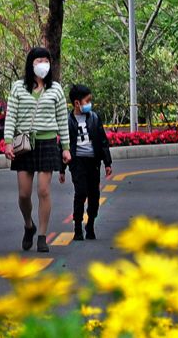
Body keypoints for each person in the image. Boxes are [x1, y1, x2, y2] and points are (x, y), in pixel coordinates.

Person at [3, 47, 71, 253]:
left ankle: (42, 235)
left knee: (43, 190)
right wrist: (7, 142)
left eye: (46, 60)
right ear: (30, 63)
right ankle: (28, 225)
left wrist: (66, 148)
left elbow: (62, 120)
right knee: (24, 194)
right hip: (24, 143)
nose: (43, 64)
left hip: (48, 142)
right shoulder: (18, 88)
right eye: (38, 60)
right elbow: (11, 116)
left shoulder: (56, 89)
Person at [60, 84, 112, 240]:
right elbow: (62, 146)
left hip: (93, 162)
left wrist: (107, 163)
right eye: (87, 100)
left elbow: (102, 141)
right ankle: (77, 227)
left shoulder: (94, 118)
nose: (90, 103)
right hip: (77, 163)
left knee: (94, 194)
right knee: (80, 193)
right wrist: (61, 169)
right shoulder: (67, 122)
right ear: (77, 103)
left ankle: (90, 224)